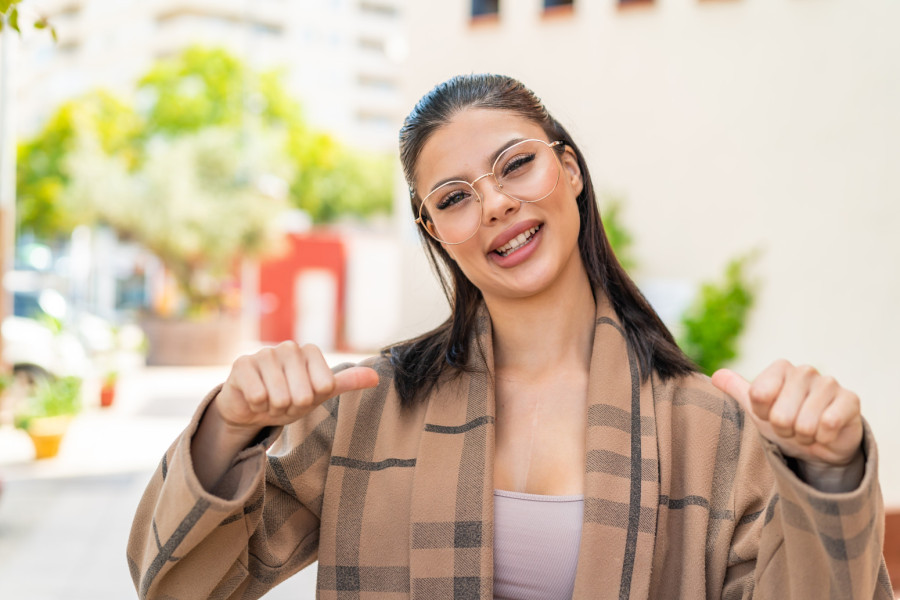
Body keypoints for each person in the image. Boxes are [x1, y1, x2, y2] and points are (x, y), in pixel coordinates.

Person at [128, 74, 891, 600]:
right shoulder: (366, 407)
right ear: (435, 230)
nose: (494, 203)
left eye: (516, 165)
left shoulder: (707, 428)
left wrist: (828, 476)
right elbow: (181, 584)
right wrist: (228, 431)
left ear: (570, 170)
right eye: (455, 197)